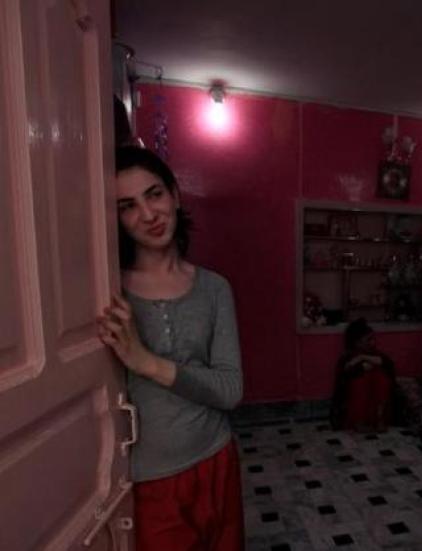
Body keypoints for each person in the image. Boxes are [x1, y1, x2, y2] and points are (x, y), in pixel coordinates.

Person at [97, 146, 245, 551]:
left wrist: (146, 362)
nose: (148, 214)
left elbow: (231, 390)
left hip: (217, 460)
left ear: (175, 195)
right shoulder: (109, 292)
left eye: (154, 194)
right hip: (149, 478)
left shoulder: (214, 288)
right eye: (128, 206)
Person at [330, 318, 396, 432]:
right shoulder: (348, 356)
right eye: (368, 340)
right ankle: (359, 421)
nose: (372, 342)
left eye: (373, 339)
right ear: (357, 342)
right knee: (362, 379)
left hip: (373, 400)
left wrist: (362, 357)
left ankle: (379, 418)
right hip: (354, 403)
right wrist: (361, 367)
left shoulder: (373, 353)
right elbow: (345, 374)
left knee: (380, 377)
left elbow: (388, 363)